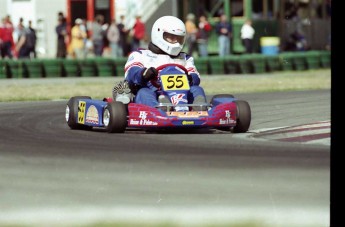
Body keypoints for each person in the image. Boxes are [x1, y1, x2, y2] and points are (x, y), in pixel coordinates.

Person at [113, 15, 207, 111]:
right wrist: (143, 73)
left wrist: (191, 78)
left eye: (179, 38)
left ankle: (199, 108)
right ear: (159, 34)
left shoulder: (185, 58)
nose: (176, 42)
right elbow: (131, 72)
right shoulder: (141, 54)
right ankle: (159, 109)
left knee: (197, 89)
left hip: (182, 95)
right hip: (153, 92)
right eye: (171, 37)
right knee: (144, 92)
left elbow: (195, 75)